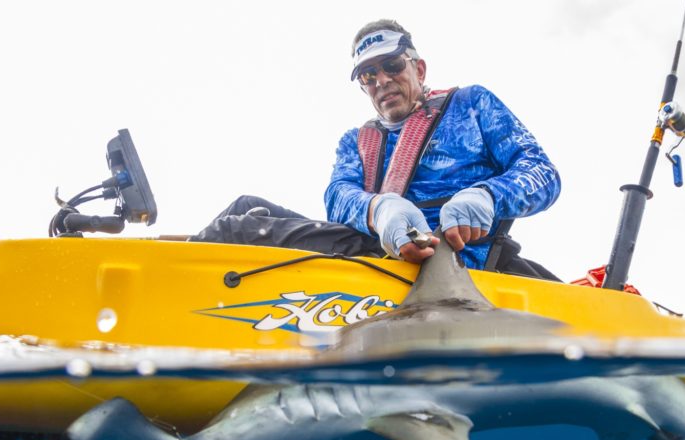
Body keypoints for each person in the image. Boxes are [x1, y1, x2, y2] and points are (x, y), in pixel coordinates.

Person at [192, 19, 561, 278]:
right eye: (369, 75)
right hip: (376, 248)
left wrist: (486, 196)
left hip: (450, 263)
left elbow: (541, 171)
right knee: (243, 207)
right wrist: (379, 209)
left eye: (391, 65)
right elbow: (338, 196)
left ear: (419, 67)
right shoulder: (355, 140)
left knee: (238, 229)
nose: (382, 80)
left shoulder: (472, 103)